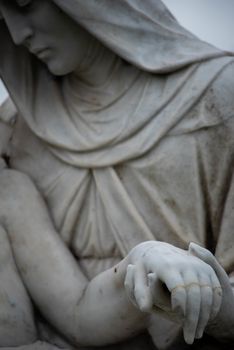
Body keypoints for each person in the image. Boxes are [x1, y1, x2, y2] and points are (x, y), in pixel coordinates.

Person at [0, 0, 233, 349]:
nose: (18, 35)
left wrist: (202, 299)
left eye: (25, 4)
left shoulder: (218, 100)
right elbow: (75, 315)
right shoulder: (15, 127)